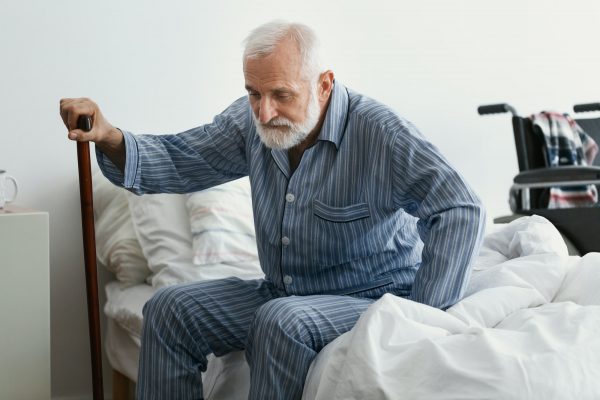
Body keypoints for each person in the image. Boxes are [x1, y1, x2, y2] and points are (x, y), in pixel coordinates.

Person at [60, 20, 485, 400]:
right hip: (286, 290)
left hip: (370, 298)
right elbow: (181, 158)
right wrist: (109, 136)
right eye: (253, 93)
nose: (264, 111)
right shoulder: (253, 122)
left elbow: (460, 208)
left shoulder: (381, 133)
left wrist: (423, 318)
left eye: (281, 94)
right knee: (169, 309)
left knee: (280, 321)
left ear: (324, 84)